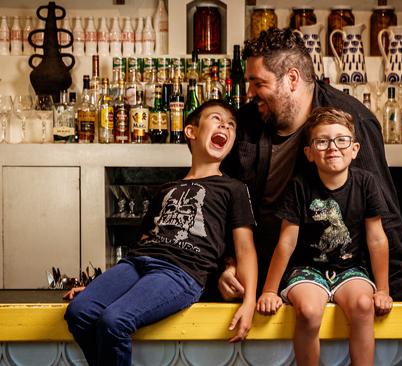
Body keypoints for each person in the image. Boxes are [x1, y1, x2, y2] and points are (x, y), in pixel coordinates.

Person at [219, 27, 402, 302]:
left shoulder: (353, 121)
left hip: (323, 280)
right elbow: (224, 202)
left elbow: (381, 210)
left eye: (258, 83)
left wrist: (397, 283)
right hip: (256, 284)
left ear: (292, 78)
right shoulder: (245, 123)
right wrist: (227, 265)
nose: (250, 92)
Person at [63, 100, 258, 366]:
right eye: (216, 118)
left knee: (115, 321)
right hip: (137, 263)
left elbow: (245, 248)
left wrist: (249, 302)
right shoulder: (167, 188)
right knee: (80, 311)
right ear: (191, 132)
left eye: (231, 125)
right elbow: (144, 241)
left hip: (181, 272)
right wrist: (100, 288)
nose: (225, 125)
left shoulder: (233, 188)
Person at [256, 107, 393, 366]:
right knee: (307, 312)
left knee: (364, 306)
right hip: (307, 270)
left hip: (350, 268)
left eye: (341, 139)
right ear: (309, 153)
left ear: (354, 149)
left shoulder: (366, 183)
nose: (333, 147)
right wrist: (269, 290)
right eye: (322, 141)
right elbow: (287, 241)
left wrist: (383, 290)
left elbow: (377, 239)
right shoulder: (300, 186)